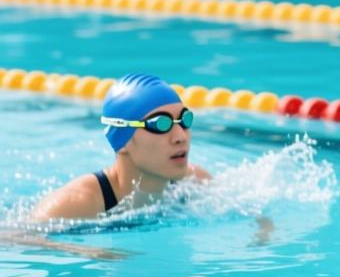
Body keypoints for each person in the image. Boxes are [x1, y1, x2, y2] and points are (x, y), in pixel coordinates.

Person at [30, 73, 209, 221]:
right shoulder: (74, 204)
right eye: (161, 124)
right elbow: (17, 239)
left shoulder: (195, 182)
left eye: (185, 120)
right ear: (122, 140)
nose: (180, 136)